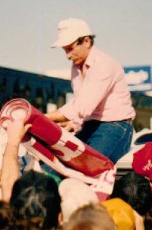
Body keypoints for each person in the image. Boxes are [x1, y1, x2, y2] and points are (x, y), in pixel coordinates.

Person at [46, 18, 135, 163]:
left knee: (85, 168)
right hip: (90, 125)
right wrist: (74, 124)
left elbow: (83, 106)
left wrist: (43, 118)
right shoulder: (76, 67)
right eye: (65, 50)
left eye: (70, 48)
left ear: (86, 41)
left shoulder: (104, 64)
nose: (67, 55)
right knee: (59, 164)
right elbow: (83, 107)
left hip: (114, 126)